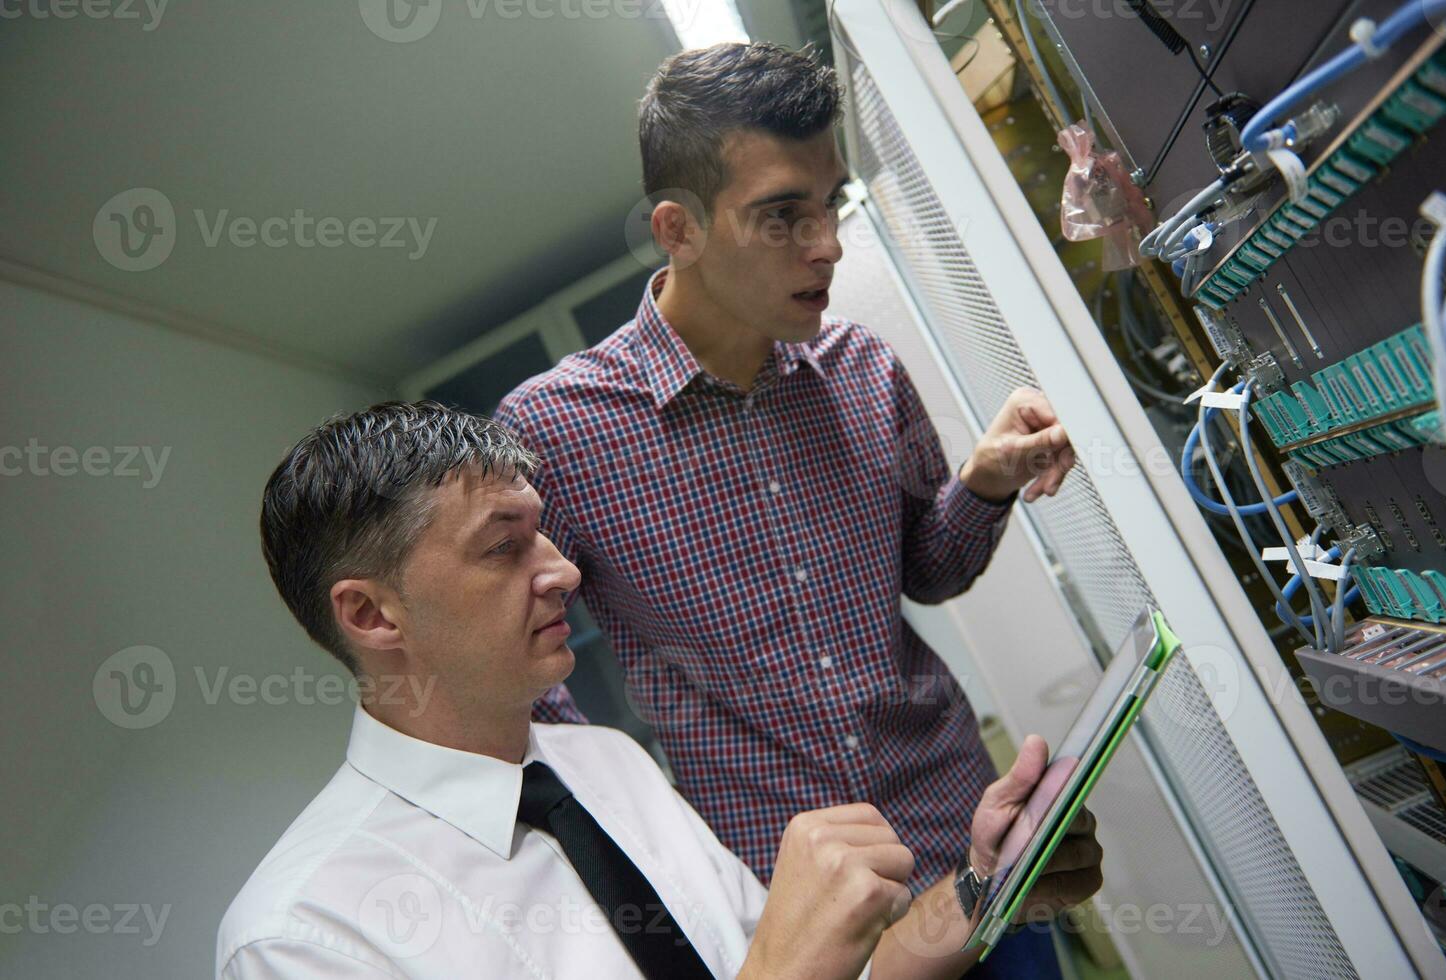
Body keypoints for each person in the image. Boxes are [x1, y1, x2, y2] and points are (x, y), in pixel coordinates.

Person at [493, 42, 1077, 975]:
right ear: (677, 229)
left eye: (830, 203)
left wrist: (985, 483)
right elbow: (526, 673)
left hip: (969, 837)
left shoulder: (863, 369)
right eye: (781, 216)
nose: (828, 243)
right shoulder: (553, 427)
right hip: (791, 901)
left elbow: (928, 572)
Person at [216, 402, 1102, 979]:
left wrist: (989, 881)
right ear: (372, 614)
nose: (562, 569)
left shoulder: (607, 765)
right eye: (503, 546)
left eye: (544, 534)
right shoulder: (305, 936)